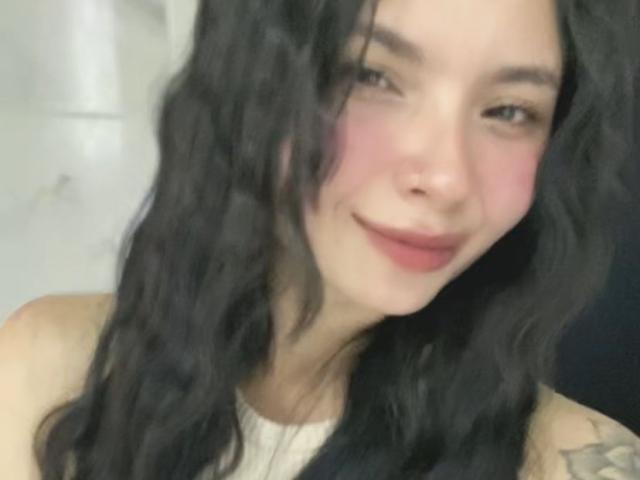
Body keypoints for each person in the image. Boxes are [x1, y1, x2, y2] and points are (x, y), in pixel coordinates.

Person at [1, 0, 638, 478]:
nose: (447, 177)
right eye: (371, 76)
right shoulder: (48, 373)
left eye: (509, 111)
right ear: (252, 82)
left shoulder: (580, 463)